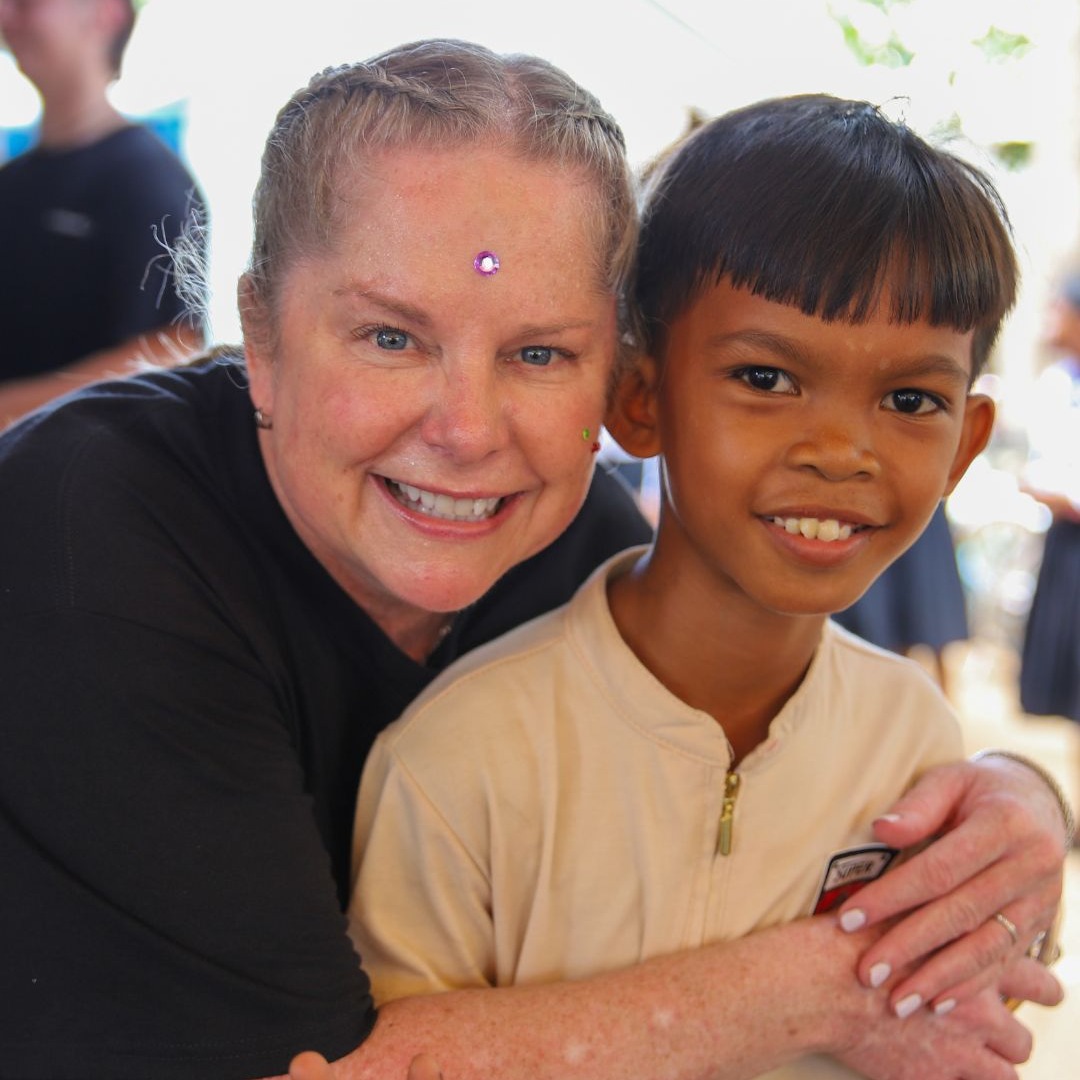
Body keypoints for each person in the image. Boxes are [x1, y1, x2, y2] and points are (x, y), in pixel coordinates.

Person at [0, 40, 1067, 1080]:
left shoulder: (568, 549)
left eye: (540, 353)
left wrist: (1019, 800)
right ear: (261, 338)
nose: (468, 431)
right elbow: (313, 1066)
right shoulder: (90, 526)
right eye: (390, 337)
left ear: (616, 383)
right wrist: (848, 982)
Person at [345, 94, 1074, 1080]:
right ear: (638, 397)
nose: (840, 450)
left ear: (963, 448)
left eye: (910, 399)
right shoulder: (459, 762)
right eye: (768, 378)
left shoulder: (916, 754)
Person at [0, 0, 206, 428]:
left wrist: (11, 408)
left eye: (26, 3)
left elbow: (170, 351)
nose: (5, 16)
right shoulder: (13, 182)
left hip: (70, 475)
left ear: (105, 12)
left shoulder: (148, 179)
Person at [1018, 271, 1080, 726]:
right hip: (1066, 542)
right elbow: (1038, 462)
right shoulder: (1058, 383)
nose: (1050, 319)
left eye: (1058, 307)